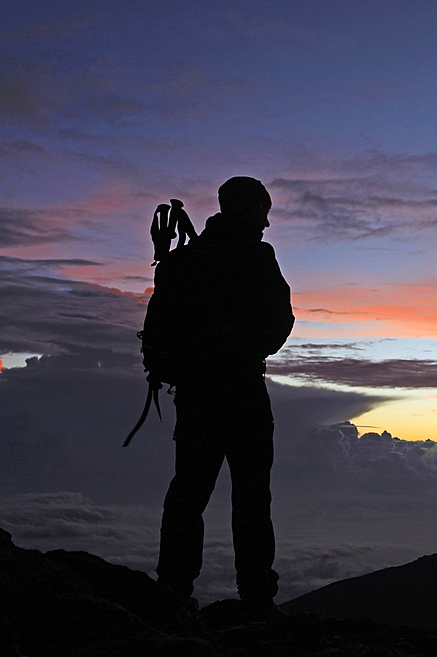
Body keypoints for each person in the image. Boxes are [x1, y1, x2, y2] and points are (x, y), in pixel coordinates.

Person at [142, 176, 294, 608]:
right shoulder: (258, 257)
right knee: (251, 497)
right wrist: (244, 349)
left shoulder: (184, 261)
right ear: (251, 211)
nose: (266, 225)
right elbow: (279, 322)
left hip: (196, 397)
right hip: (243, 392)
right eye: (263, 214)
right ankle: (257, 597)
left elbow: (162, 333)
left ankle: (172, 590)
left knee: (188, 492)